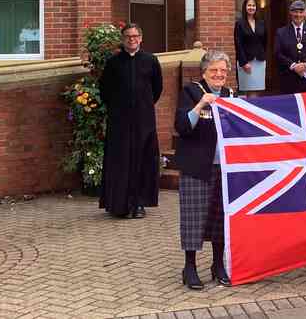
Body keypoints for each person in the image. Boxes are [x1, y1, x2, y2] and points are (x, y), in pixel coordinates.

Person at [174, 50, 233, 289]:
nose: (219, 74)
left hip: (225, 168)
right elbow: (182, 126)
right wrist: (201, 104)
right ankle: (189, 267)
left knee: (219, 218)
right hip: (196, 166)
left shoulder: (231, 95)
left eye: (223, 70)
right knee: (194, 219)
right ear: (204, 72)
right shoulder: (191, 92)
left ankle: (218, 264)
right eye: (214, 70)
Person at [99, 23, 163, 219]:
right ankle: (118, 203)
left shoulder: (151, 61)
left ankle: (139, 204)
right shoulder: (113, 62)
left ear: (141, 38)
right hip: (120, 121)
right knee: (121, 161)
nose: (131, 39)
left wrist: (142, 106)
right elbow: (105, 90)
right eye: (128, 36)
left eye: (135, 36)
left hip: (144, 120)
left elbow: (157, 89)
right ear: (122, 39)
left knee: (142, 161)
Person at [274, 0, 306, 94]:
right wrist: (293, 66)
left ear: (305, 13)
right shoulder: (281, 32)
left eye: (301, 12)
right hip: (289, 79)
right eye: (295, 12)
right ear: (290, 13)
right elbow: (278, 53)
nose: (298, 15)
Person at [234, 0, 267, 97]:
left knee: (257, 89)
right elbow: (238, 44)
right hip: (246, 61)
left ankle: (253, 110)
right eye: (249, 5)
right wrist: (244, 63)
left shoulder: (262, 23)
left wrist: (262, 55)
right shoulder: (239, 23)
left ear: (256, 8)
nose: (251, 7)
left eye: (253, 5)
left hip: (259, 61)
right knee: (247, 90)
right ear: (245, 7)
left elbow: (265, 41)